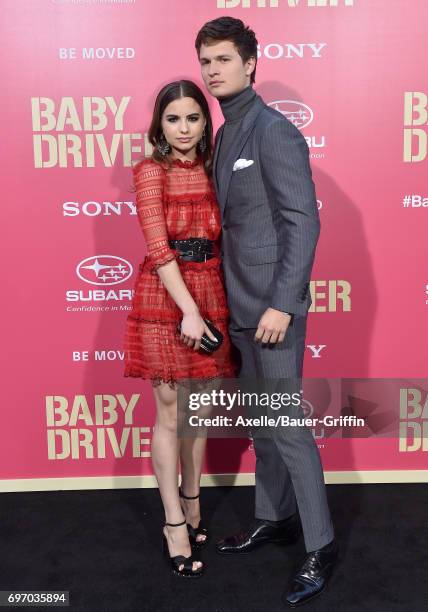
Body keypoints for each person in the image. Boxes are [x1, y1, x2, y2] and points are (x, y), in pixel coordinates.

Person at [195, 17, 338, 607]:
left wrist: (284, 302)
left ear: (251, 63)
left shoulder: (273, 130)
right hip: (239, 307)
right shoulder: (227, 133)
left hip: (274, 310)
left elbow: (302, 221)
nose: (212, 71)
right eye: (205, 61)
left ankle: (320, 546)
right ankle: (273, 517)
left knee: (287, 427)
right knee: (262, 425)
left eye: (223, 60)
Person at [123, 80, 236, 578]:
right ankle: (174, 523)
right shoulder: (150, 171)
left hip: (212, 289)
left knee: (200, 413)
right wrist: (189, 311)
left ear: (204, 123)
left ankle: (193, 500)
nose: (184, 128)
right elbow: (159, 247)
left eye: (193, 118)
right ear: (159, 123)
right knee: (170, 413)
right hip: (166, 299)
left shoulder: (216, 170)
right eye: (174, 119)